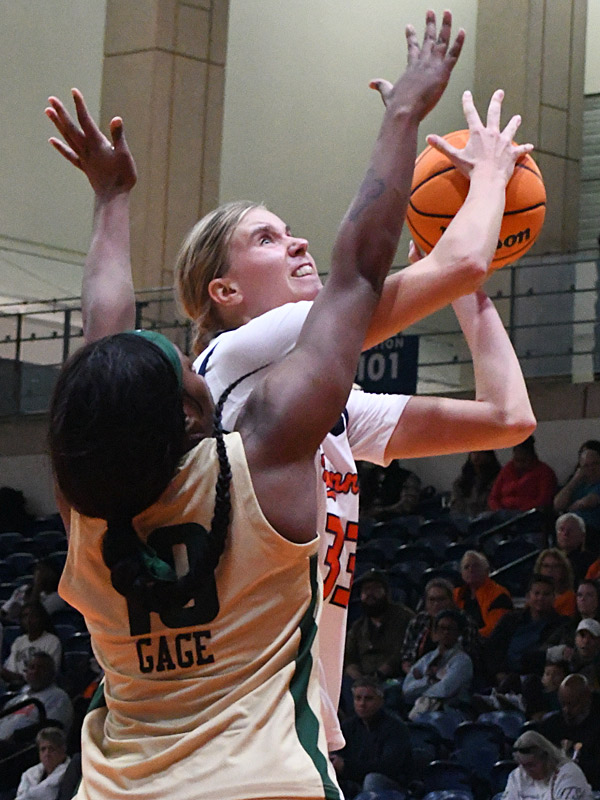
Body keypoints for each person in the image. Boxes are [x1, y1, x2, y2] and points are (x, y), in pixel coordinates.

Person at [46, 15, 537, 752]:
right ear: (224, 293)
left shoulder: (307, 410)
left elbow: (507, 417)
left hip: (268, 731)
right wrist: (487, 178)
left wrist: (463, 290)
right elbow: (406, 267)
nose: (298, 241)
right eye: (267, 239)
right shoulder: (247, 351)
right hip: (262, 740)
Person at [331, 677, 413, 799]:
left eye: (368, 699)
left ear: (381, 701)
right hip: (354, 781)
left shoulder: (396, 728)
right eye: (358, 698)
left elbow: (388, 767)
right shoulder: (348, 726)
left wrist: (346, 767)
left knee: (372, 779)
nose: (362, 704)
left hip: (392, 786)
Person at [484, 575, 564, 682]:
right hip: (503, 676)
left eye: (546, 594)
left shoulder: (561, 625)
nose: (540, 598)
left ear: (554, 598)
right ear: (528, 596)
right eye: (537, 593)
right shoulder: (509, 619)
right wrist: (499, 673)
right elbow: (493, 648)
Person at [344, 569, 414, 683]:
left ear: (386, 592)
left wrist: (379, 674)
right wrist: (359, 679)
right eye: (366, 589)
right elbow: (349, 658)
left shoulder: (404, 617)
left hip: (393, 679)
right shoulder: (358, 626)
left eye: (375, 588)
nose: (370, 594)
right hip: (361, 681)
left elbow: (402, 653)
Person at [400, 577, 481, 675]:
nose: (436, 604)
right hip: (416, 676)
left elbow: (467, 659)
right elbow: (406, 657)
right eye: (431, 600)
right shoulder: (419, 621)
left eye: (441, 599)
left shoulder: (465, 622)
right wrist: (412, 672)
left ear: (451, 600)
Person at [402, 608, 473, 717]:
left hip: (451, 711)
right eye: (442, 628)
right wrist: (430, 681)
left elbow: (444, 690)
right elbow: (407, 689)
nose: (445, 632)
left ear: (458, 633)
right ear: (435, 632)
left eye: (450, 629)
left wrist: (421, 681)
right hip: (421, 707)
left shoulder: (462, 660)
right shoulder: (427, 658)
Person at [538, 674, 600, 790]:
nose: (566, 710)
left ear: (587, 698)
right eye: (563, 704)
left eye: (572, 704)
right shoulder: (551, 725)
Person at [0, 653, 73, 747]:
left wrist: (16, 736)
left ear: (52, 673)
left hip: (22, 749)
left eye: (41, 668)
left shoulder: (58, 696)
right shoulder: (17, 699)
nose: (35, 671)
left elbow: (52, 727)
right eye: (32, 667)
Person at [504, 730, 592, 800]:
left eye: (531, 765)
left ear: (546, 758)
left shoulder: (568, 774)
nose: (527, 771)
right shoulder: (517, 776)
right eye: (523, 765)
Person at [488, 435, 557, 512]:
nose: (519, 465)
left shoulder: (545, 472)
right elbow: (493, 497)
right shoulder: (508, 469)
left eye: (523, 461)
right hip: (502, 513)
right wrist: (498, 510)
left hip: (527, 514)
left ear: (532, 457)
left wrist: (522, 510)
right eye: (517, 460)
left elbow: (544, 501)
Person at [452, 549, 512, 637]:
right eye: (466, 567)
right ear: (462, 574)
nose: (471, 570)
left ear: (487, 571)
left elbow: (495, 630)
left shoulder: (499, 595)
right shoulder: (456, 594)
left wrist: (466, 637)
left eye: (476, 566)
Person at [1, 602, 62, 687]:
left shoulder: (52, 641)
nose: (28, 620)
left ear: (42, 618)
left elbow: (49, 674)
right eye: (25, 616)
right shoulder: (19, 641)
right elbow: (11, 669)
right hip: (16, 686)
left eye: (33, 616)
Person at [554, 440, 600, 545]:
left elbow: (589, 501)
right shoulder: (578, 483)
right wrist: (575, 480)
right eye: (586, 466)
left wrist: (571, 508)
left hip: (592, 531)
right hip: (569, 529)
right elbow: (558, 505)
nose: (591, 469)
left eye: (595, 464)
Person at [15, 727, 70, 800]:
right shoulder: (29, 773)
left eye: (51, 749)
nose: (47, 753)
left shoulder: (69, 770)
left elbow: (48, 792)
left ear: (62, 750)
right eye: (43, 749)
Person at [450, 450, 501, 517]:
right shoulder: (461, 482)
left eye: (481, 452)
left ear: (489, 456)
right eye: (474, 452)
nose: (476, 456)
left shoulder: (498, 478)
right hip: (465, 518)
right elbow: (456, 507)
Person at [555, 513, 595, 586]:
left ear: (582, 536)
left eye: (571, 530)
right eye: (561, 529)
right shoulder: (548, 558)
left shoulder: (590, 562)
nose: (565, 534)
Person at [534, 548, 576, 616]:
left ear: (563, 570)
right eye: (546, 566)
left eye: (556, 566)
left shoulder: (570, 599)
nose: (550, 570)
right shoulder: (533, 597)